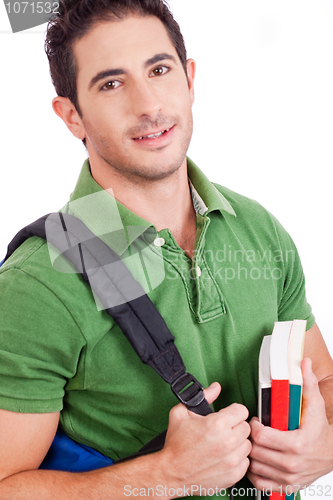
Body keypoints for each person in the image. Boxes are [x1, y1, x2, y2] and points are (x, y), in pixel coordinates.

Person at [0, 0, 332, 498]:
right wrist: (165, 476)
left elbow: (322, 377)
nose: (148, 104)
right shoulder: (37, 286)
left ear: (190, 79)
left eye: (159, 69)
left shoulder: (257, 228)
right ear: (71, 115)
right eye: (111, 83)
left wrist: (324, 446)